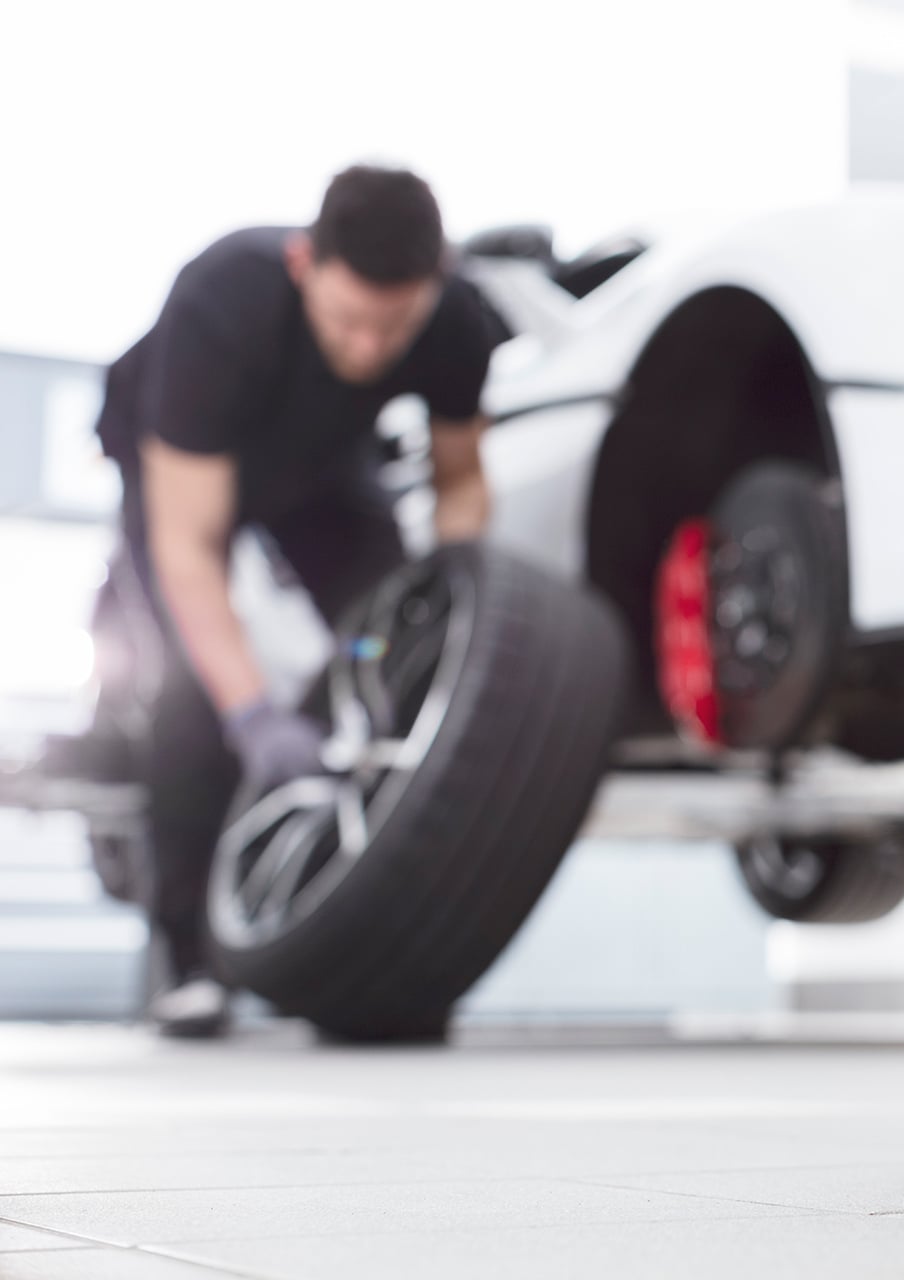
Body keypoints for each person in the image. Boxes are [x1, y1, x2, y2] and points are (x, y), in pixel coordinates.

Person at [76, 165, 500, 1036]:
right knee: (192, 689)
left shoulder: (458, 322)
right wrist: (254, 715)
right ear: (305, 264)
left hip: (321, 474)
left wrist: (446, 600)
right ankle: (186, 956)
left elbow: (461, 485)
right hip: (184, 475)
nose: (370, 349)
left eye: (395, 326)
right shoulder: (221, 305)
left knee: (391, 642)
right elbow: (192, 547)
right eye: (349, 321)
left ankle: (376, 937)